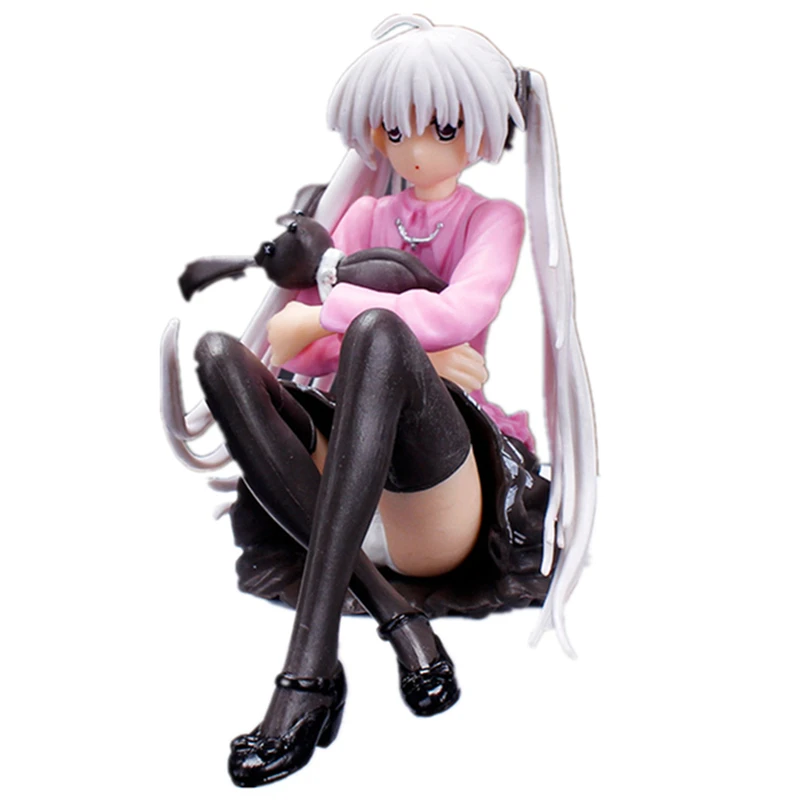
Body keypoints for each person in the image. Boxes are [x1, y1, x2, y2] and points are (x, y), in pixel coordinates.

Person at [161, 13, 597, 787]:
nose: (415, 148)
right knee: (222, 356)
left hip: (435, 488)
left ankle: (306, 675)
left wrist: (343, 318)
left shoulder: (492, 218)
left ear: (481, 129)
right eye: (396, 130)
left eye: (441, 127)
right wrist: (352, 334)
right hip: (340, 481)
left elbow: (462, 310)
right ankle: (398, 616)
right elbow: (299, 350)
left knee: (377, 336)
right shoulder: (364, 216)